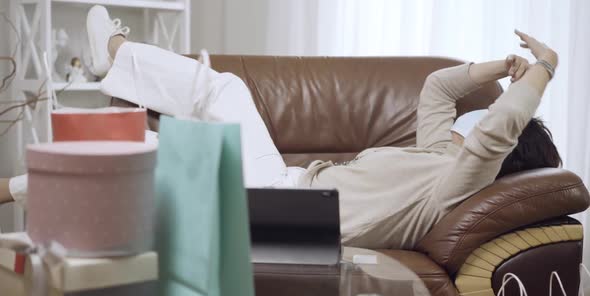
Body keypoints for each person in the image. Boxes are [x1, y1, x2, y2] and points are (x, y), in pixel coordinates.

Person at [0, 6, 561, 250]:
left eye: (478, 124)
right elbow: (438, 90)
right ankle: (115, 56)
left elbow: (497, 130)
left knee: (156, 153)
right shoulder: (443, 153)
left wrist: (543, 69)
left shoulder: (460, 180)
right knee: (227, 88)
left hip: (287, 217)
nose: (467, 125)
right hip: (288, 187)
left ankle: (13, 189)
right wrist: (500, 68)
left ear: (500, 152)